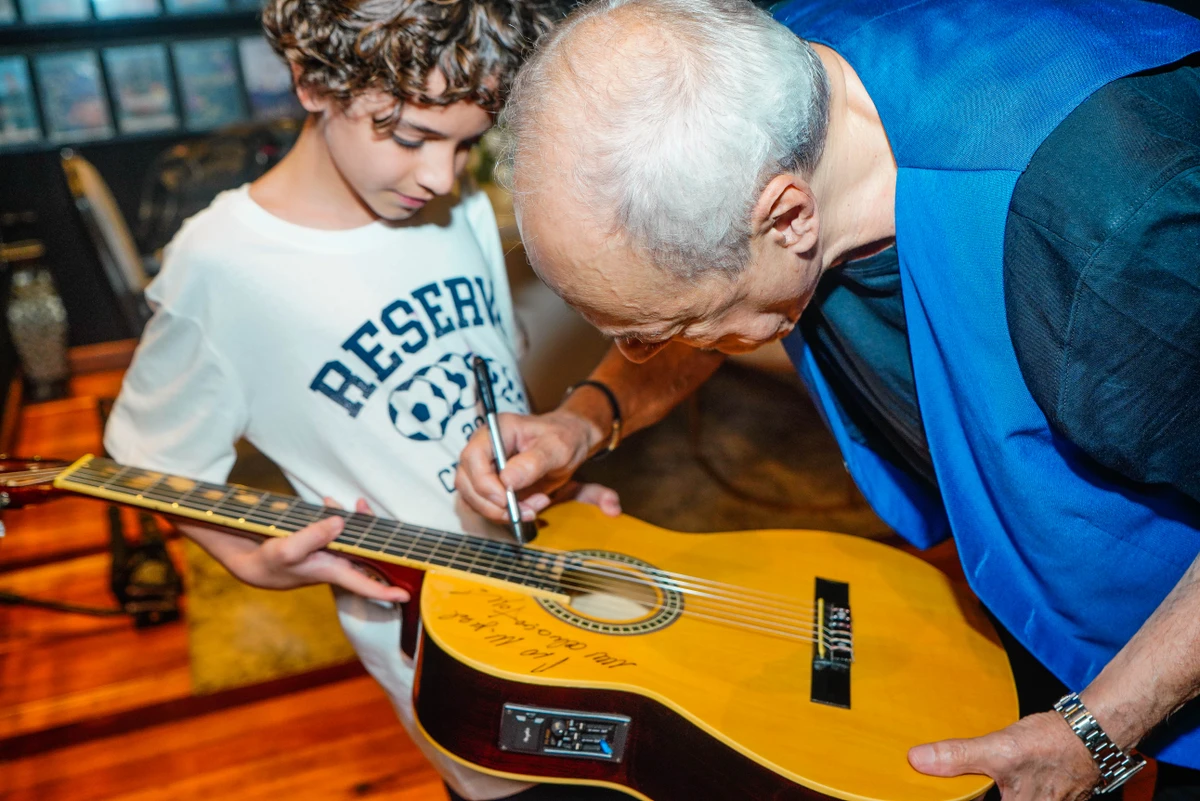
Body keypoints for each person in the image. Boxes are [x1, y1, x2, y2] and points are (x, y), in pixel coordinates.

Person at [454, 0, 1200, 798]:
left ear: (788, 216)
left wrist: (1100, 733)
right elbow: (699, 283)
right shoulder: (765, 82)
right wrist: (586, 416)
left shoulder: (1112, 230)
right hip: (1033, 581)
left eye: (669, 325)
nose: (645, 350)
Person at [97, 1, 616, 798]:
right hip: (445, 653)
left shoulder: (465, 207)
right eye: (408, 135)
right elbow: (148, 458)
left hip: (561, 578)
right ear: (312, 81)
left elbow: (489, 378)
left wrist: (552, 464)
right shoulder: (221, 266)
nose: (442, 176)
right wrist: (251, 560)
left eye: (467, 143)